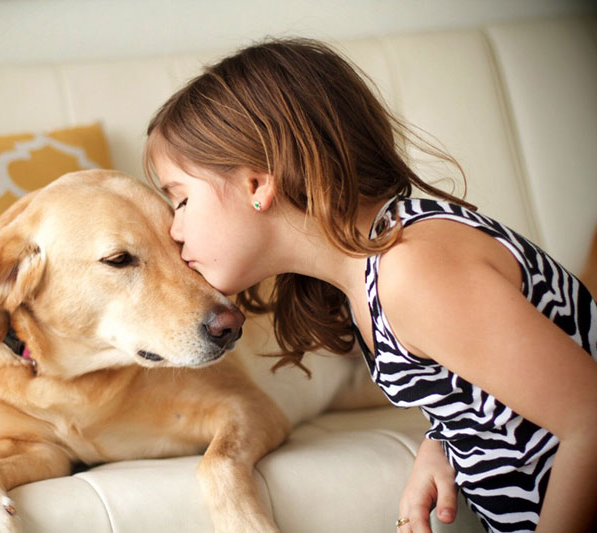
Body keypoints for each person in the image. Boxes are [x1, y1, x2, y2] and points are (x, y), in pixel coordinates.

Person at [143, 38, 597, 533]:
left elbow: (590, 421)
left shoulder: (411, 271)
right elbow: (488, 387)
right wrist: (444, 444)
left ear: (257, 184)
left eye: (181, 200)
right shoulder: (368, 275)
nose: (175, 229)